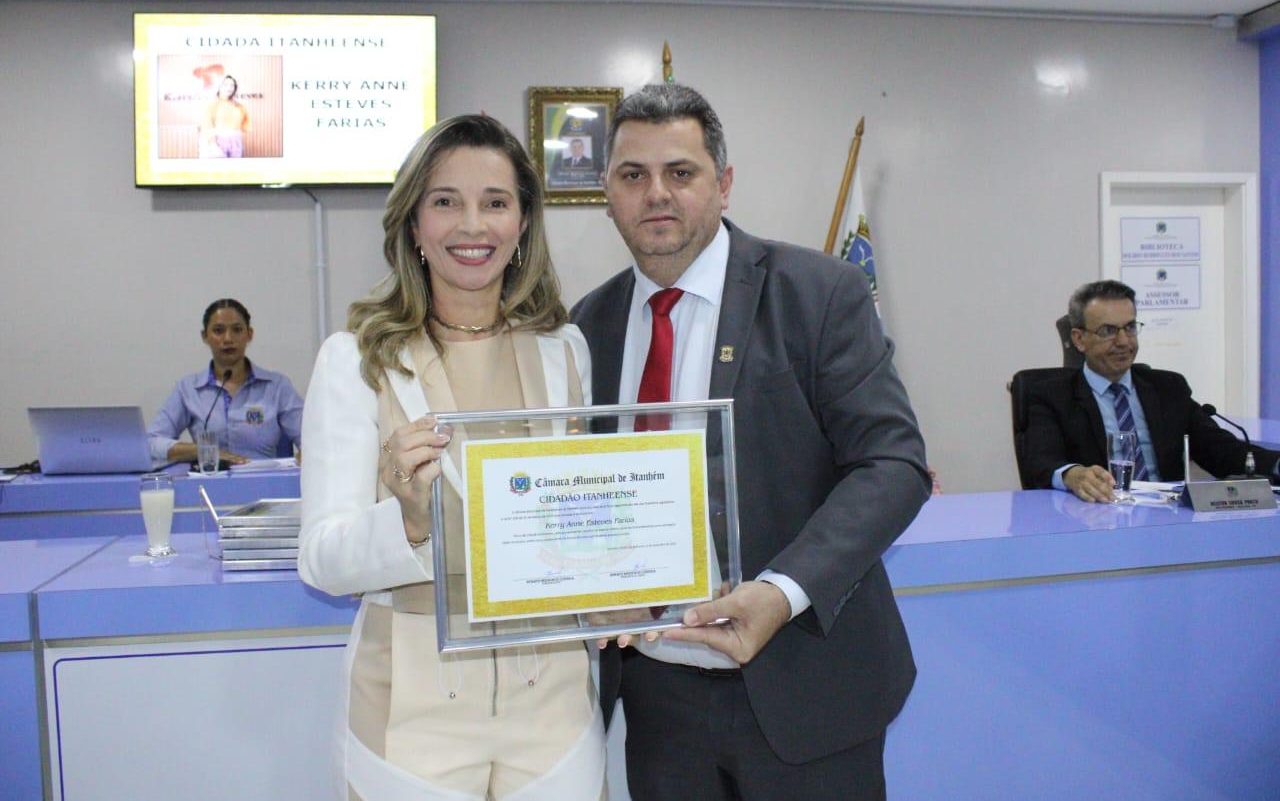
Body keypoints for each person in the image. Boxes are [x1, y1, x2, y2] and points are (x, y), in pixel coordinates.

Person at [571, 84, 930, 799]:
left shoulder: (816, 292)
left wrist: (779, 592)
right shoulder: (587, 325)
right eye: (633, 175)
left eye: (681, 172)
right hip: (658, 697)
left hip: (806, 682)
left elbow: (893, 464)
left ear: (724, 184)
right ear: (607, 193)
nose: (656, 194)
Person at [297, 114, 604, 799]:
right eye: (445, 201)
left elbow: (576, 527)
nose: (473, 225)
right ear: (413, 223)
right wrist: (407, 520)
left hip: (554, 701)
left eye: (495, 202)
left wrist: (623, 583)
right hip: (410, 708)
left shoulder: (564, 350)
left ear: (522, 223)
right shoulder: (355, 361)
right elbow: (320, 560)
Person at [1023, 279, 1280, 502]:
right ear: (1079, 339)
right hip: (1096, 519)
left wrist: (1277, 464)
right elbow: (1040, 463)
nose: (1123, 341)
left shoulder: (1168, 388)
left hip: (1169, 517)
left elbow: (1221, 451)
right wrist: (1073, 475)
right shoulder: (1051, 396)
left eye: (1130, 327)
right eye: (1108, 331)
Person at [147, 298, 303, 465]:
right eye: (218, 330)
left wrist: (307, 456)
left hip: (265, 479)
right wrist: (201, 450)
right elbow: (151, 442)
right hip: (211, 479)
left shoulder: (277, 386)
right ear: (205, 336)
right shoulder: (188, 389)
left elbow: (313, 438)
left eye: (237, 330)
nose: (228, 338)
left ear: (249, 334)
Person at [200, 75, 250, 158]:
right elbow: (207, 127)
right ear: (219, 87)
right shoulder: (212, 105)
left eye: (232, 85)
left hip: (236, 143)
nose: (229, 88)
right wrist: (213, 144)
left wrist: (237, 141)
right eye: (225, 84)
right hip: (217, 143)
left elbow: (244, 126)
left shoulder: (239, 106)